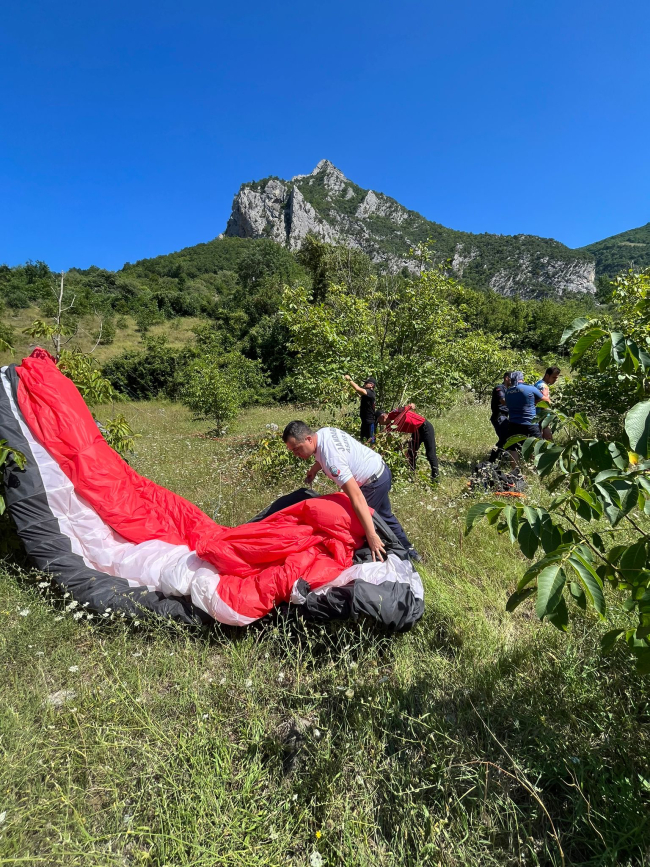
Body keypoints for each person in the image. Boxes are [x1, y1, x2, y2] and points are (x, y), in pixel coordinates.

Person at [282, 420, 421, 562]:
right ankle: (409, 550)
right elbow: (324, 456)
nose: (295, 454)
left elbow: (357, 497)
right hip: (380, 470)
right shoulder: (324, 433)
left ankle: (383, 553)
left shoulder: (332, 461)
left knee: (359, 528)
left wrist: (371, 535)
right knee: (384, 516)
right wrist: (314, 470)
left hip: (372, 484)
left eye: (296, 449)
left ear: (309, 439)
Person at [376, 403, 439, 482]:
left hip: (425, 427)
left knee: (430, 454)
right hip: (416, 432)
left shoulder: (393, 413)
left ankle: (435, 478)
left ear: (383, 417)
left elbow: (404, 409)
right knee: (410, 454)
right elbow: (389, 440)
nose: (379, 424)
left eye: (378, 421)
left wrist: (410, 406)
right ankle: (412, 475)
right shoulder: (389, 427)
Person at [504, 371, 545, 444]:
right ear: (522, 379)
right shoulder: (530, 388)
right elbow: (546, 400)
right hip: (530, 423)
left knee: (513, 448)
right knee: (537, 446)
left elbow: (507, 404)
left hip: (513, 424)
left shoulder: (507, 392)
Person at [343, 375, 377, 442]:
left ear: (371, 385)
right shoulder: (368, 394)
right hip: (365, 421)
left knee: (372, 441)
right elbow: (360, 395)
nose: (364, 384)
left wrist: (349, 380)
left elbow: (358, 389)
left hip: (370, 422)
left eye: (366, 383)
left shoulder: (370, 392)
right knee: (363, 440)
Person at [534, 366, 561, 441]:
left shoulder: (539, 384)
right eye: (553, 377)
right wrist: (546, 419)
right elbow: (544, 403)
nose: (555, 380)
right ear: (547, 375)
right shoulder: (543, 386)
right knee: (547, 438)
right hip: (541, 416)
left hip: (538, 416)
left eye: (556, 378)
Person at [489, 372, 511, 457]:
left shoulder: (509, 390)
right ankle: (492, 459)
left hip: (505, 417)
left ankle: (501, 457)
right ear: (506, 378)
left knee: (506, 438)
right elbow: (503, 400)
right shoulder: (499, 388)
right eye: (511, 379)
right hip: (499, 416)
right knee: (504, 438)